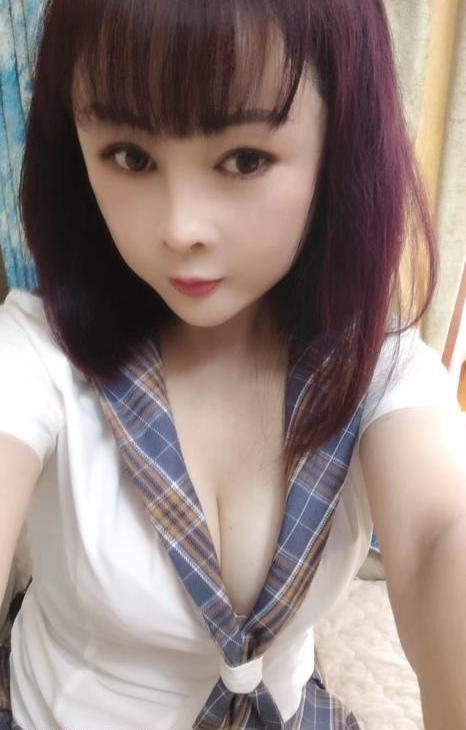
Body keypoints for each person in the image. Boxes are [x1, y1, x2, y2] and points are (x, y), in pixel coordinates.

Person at [0, 0, 465, 728]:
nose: (181, 227)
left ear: (337, 142)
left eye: (245, 159)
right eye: (130, 156)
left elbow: (442, 536)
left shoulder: (377, 371)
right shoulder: (38, 352)